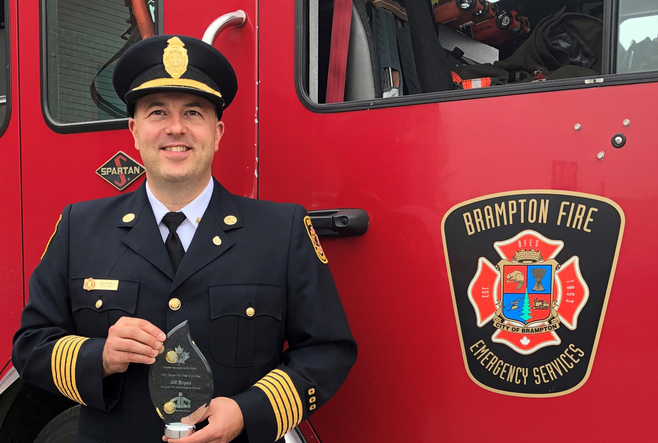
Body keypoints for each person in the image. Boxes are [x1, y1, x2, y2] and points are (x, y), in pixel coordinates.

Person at [12, 35, 357, 443]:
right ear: (135, 131)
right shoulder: (78, 227)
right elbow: (31, 346)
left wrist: (248, 412)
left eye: (193, 113)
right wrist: (99, 356)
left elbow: (327, 350)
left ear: (217, 131)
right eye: (157, 112)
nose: (175, 128)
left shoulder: (281, 231)